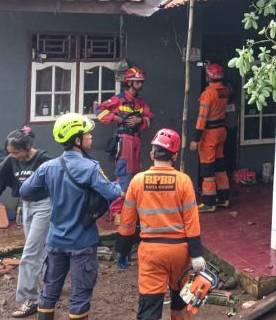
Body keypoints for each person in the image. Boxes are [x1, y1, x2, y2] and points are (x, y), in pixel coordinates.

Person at [20, 113, 122, 320]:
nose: (91, 138)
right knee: (80, 294)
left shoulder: (47, 167)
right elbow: (112, 193)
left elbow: (25, 191)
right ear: (77, 140)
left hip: (55, 241)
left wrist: (53, 192)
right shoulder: (90, 167)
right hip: (82, 243)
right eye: (87, 135)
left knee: (49, 292)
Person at [117, 128, 205, 320]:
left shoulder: (137, 181)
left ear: (152, 154)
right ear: (174, 155)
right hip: (179, 252)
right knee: (181, 301)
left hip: (151, 252)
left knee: (149, 305)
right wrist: (197, 254)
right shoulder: (184, 181)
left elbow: (127, 222)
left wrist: (122, 250)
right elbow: (192, 222)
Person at [0, 127, 52, 318]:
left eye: (16, 152)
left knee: (31, 252)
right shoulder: (11, 161)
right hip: (26, 206)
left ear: (27, 147)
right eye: (11, 153)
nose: (14, 156)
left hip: (45, 205)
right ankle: (52, 285)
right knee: (42, 248)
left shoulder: (44, 161)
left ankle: (31, 299)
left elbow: (61, 183)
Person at [96, 65, 153, 217]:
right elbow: (99, 110)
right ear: (129, 82)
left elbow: (149, 118)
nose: (140, 84)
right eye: (137, 82)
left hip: (136, 140)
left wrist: (140, 119)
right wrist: (117, 118)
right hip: (124, 140)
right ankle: (117, 211)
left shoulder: (140, 102)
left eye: (141, 82)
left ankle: (130, 209)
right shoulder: (118, 100)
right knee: (124, 174)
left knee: (134, 175)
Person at [190, 63, 231, 212]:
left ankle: (209, 202)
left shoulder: (208, 94)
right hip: (221, 131)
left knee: (207, 169)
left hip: (209, 135)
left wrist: (195, 138)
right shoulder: (224, 90)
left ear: (208, 77)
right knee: (220, 166)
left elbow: (202, 118)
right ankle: (223, 198)